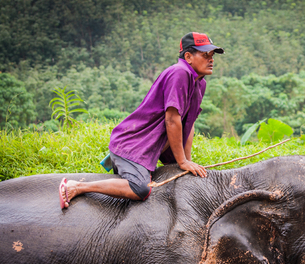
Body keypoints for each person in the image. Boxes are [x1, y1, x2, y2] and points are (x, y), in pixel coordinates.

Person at [59, 32, 224, 209]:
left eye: (212, 55)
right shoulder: (180, 73)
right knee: (140, 188)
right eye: (205, 55)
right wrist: (182, 162)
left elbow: (188, 123)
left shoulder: (200, 82)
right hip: (133, 146)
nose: (211, 60)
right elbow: (172, 119)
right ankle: (77, 187)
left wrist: (186, 161)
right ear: (188, 57)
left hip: (154, 147)